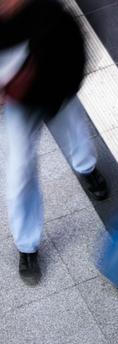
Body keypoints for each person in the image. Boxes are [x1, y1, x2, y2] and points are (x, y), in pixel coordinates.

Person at [1, 0, 108, 284]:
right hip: (21, 103)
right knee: (21, 168)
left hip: (56, 87)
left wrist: (67, 85)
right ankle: (27, 245)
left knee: (75, 130)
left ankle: (87, 168)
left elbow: (75, 43)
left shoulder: (46, 10)